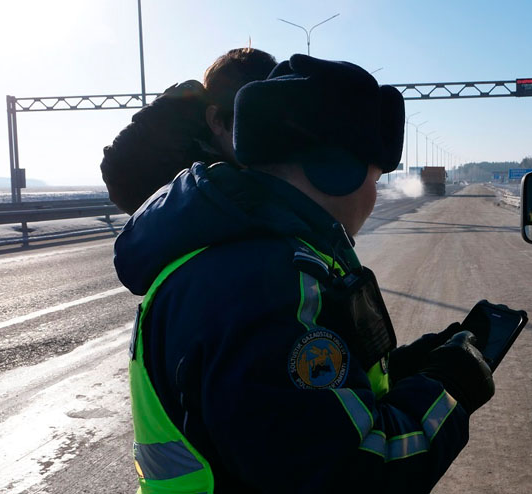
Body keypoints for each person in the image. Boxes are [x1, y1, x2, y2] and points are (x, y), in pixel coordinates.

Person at [114, 54, 495, 493]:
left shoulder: (234, 258)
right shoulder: (267, 285)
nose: (373, 195)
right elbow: (351, 474)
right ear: (336, 171)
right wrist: (452, 388)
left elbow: (298, 414)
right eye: (374, 175)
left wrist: (414, 369)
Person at [100, 47, 277, 214]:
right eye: (254, 119)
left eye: (275, 119)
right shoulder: (184, 184)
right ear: (215, 120)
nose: (270, 136)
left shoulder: (282, 164)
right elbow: (121, 173)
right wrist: (173, 109)